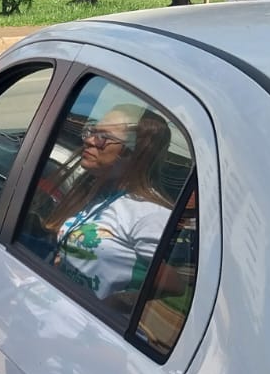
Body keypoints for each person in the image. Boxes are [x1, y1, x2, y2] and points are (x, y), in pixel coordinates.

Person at [44, 107, 178, 308]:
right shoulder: (99, 192)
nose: (89, 140)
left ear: (132, 152)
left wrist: (113, 304)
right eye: (92, 131)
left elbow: (175, 287)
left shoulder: (150, 214)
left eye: (102, 137)